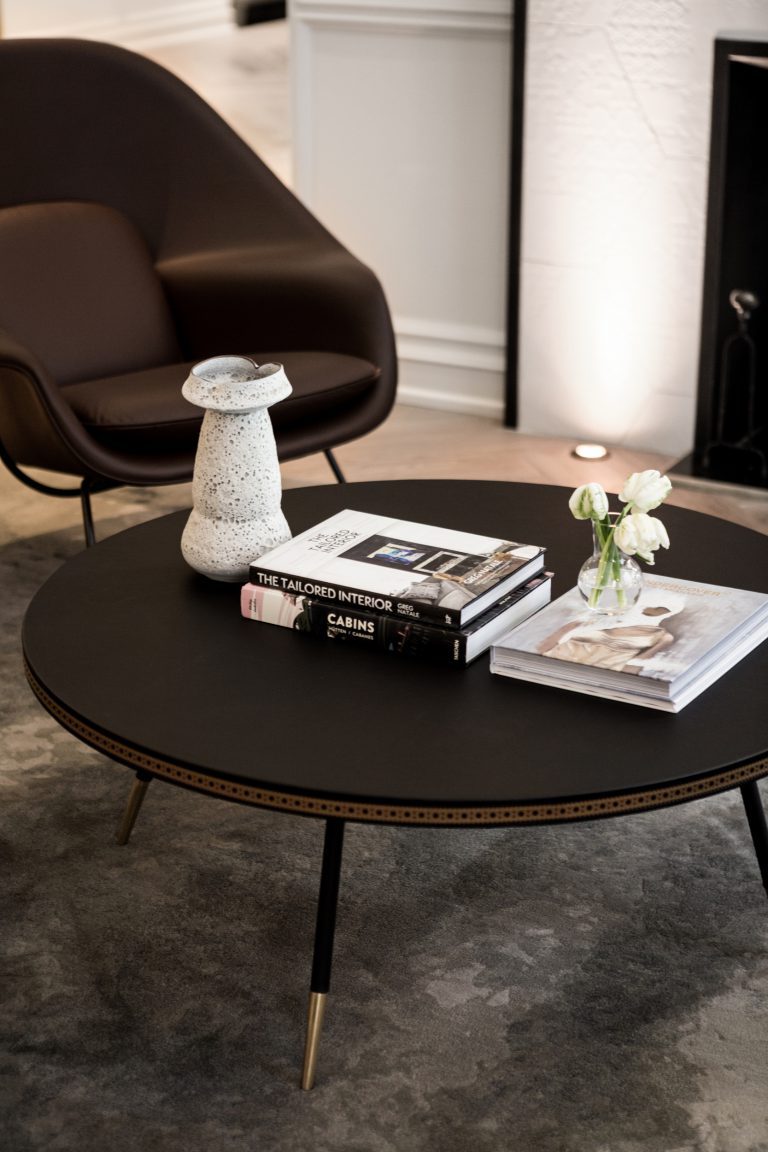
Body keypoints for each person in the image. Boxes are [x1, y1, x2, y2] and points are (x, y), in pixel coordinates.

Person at [538, 591, 686, 675]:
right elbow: (561, 633)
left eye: (661, 607)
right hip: (562, 657)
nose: (651, 607)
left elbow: (638, 663)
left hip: (601, 669)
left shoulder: (662, 635)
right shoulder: (604, 614)